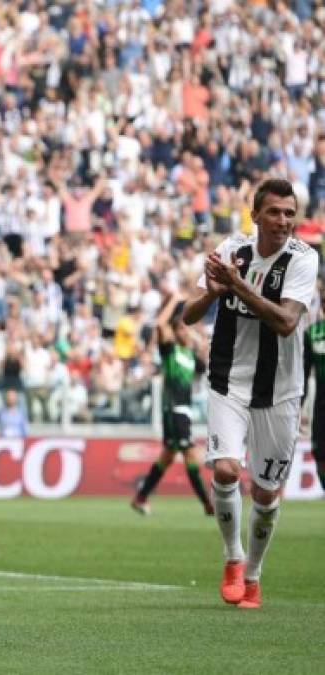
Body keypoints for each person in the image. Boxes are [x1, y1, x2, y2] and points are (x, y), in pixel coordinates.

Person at [182, 178, 318, 610]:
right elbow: (189, 315)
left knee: (264, 493)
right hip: (228, 381)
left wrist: (237, 288)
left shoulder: (303, 259)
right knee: (224, 470)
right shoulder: (231, 251)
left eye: (290, 213)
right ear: (255, 214)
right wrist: (214, 293)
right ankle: (233, 560)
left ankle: (255, 577)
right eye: (275, 212)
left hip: (280, 390)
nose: (283, 221)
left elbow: (286, 322)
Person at [131, 292, 213, 516]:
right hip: (173, 409)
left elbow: (204, 366)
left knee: (167, 456)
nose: (187, 332)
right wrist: (175, 299)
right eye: (183, 329)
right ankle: (207, 502)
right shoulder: (170, 351)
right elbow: (159, 324)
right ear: (176, 333)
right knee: (189, 453)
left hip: (184, 410)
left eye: (188, 329)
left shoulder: (191, 355)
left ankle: (140, 497)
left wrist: (201, 340)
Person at [302, 282, 325, 492]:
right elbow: (303, 372)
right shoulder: (313, 333)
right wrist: (298, 408)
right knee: (320, 458)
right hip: (321, 408)